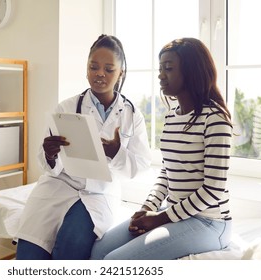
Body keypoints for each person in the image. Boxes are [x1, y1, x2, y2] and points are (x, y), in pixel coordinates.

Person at [90, 37, 233, 260]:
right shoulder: (171, 116)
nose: (160, 75)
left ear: (191, 72)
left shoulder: (215, 119)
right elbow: (167, 173)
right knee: (98, 251)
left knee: (114, 262)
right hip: (175, 214)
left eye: (168, 68)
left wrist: (160, 218)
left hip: (209, 222)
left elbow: (213, 189)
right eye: (160, 68)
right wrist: (147, 208)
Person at [14, 34, 152, 260]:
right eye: (94, 67)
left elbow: (141, 165)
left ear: (120, 73)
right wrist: (49, 155)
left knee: (71, 244)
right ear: (86, 69)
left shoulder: (132, 114)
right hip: (58, 186)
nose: (100, 73)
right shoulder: (67, 107)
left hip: (100, 192)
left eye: (109, 69)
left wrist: (115, 152)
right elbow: (46, 163)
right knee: (30, 251)